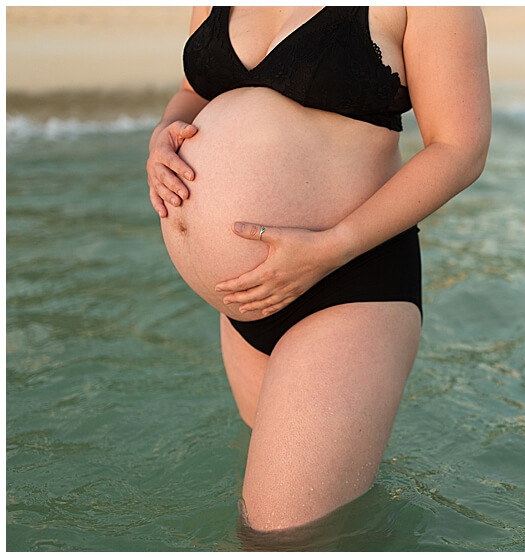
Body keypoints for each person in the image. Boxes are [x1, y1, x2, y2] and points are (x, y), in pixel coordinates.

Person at [144, 6, 491, 532]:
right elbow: (195, 90)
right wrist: (164, 134)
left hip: (346, 283)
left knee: (279, 539)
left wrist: (333, 246)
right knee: (301, 518)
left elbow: (460, 148)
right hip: (247, 299)